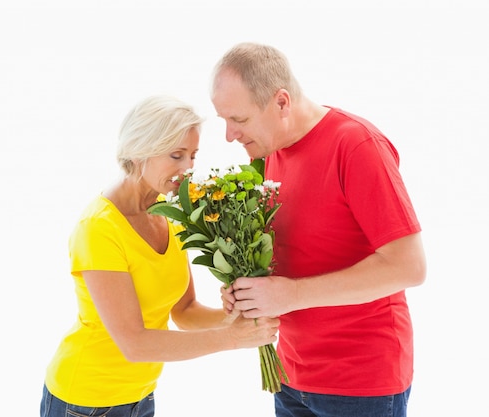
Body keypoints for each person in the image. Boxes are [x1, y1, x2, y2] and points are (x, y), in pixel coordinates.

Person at [211, 42, 427, 417]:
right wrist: (247, 292)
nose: (230, 135)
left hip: (360, 385)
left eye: (239, 120)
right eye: (224, 120)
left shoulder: (356, 145)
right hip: (290, 377)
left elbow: (409, 267)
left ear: (281, 102)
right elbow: (301, 252)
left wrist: (291, 294)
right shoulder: (272, 151)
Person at [40, 94, 279, 417]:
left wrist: (237, 317)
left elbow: (184, 310)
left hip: (141, 398)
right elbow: (134, 343)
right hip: (84, 402)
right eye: (176, 155)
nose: (189, 169)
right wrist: (230, 339)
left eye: (193, 156)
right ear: (140, 152)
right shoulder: (99, 228)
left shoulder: (169, 215)